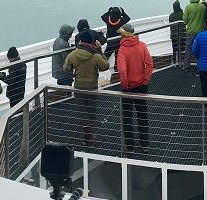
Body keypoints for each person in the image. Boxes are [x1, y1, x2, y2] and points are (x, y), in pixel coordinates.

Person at [64, 30, 109, 147]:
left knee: (83, 112)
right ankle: (90, 138)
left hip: (78, 87)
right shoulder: (96, 56)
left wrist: (74, 69)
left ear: (80, 41)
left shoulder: (73, 54)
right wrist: (100, 51)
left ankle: (87, 136)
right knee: (91, 111)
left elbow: (66, 68)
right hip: (91, 87)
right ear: (92, 42)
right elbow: (105, 66)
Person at [115, 24, 153, 153]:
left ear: (123, 35)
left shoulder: (122, 49)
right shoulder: (142, 45)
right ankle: (145, 144)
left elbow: (122, 70)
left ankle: (130, 146)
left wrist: (125, 85)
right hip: (141, 85)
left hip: (128, 87)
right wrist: (145, 81)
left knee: (127, 117)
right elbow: (149, 64)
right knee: (142, 115)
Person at [181, 0, 204, 64]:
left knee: (188, 49)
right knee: (200, 49)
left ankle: (186, 66)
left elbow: (185, 21)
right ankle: (199, 65)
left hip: (190, 31)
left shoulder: (188, 7)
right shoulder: (202, 7)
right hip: (200, 31)